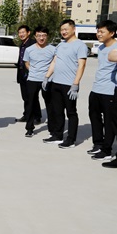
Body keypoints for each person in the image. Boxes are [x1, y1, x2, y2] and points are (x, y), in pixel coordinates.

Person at [42, 20, 87, 148]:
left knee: (71, 112)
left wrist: (75, 84)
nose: (63, 32)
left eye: (66, 29)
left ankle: (71, 140)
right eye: (62, 29)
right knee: (57, 111)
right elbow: (54, 62)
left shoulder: (80, 45)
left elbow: (82, 65)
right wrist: (47, 77)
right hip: (56, 83)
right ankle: (57, 135)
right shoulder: (60, 45)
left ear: (73, 29)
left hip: (69, 85)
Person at [86, 20, 117, 162]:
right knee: (94, 117)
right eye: (97, 31)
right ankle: (98, 144)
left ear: (111, 33)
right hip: (96, 88)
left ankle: (107, 150)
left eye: (102, 31)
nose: (98, 34)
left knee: (109, 121)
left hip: (110, 90)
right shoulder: (101, 48)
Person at [22, 27, 55, 138]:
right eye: (39, 36)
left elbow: (55, 63)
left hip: (48, 80)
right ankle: (29, 128)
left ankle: (52, 128)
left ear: (47, 36)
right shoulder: (29, 49)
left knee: (50, 104)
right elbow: (26, 63)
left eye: (44, 35)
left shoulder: (53, 49)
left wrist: (47, 75)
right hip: (32, 80)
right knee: (31, 103)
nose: (41, 38)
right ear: (35, 37)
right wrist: (33, 71)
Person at [16, 25, 39, 123]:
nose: (21, 34)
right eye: (20, 33)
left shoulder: (33, 44)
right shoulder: (22, 44)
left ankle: (36, 116)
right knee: (25, 96)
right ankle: (27, 115)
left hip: (30, 73)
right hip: (22, 73)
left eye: (23, 32)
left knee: (32, 96)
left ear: (28, 33)